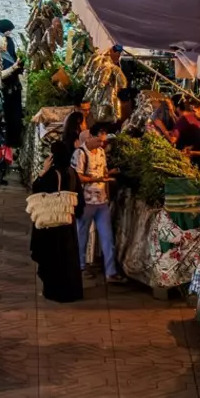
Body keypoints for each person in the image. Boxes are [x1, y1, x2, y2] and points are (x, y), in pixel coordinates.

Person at [27, 131, 84, 302]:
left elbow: (37, 189)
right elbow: (79, 200)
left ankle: (54, 291)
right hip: (68, 224)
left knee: (53, 259)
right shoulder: (72, 173)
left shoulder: (52, 174)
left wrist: (42, 172)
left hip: (53, 226)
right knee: (69, 260)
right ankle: (71, 292)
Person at [72, 118, 122, 282]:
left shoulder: (101, 153)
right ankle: (79, 267)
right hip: (86, 202)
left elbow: (104, 173)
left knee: (107, 237)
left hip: (101, 201)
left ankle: (111, 272)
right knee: (82, 236)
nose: (102, 143)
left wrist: (110, 174)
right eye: (99, 140)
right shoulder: (80, 153)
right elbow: (77, 177)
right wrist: (98, 179)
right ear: (89, 137)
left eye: (103, 140)